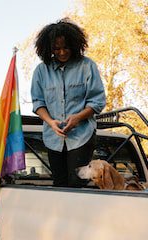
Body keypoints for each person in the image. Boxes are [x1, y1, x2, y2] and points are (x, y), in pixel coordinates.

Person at [31, 18, 106, 188]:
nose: (62, 52)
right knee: (59, 185)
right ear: (49, 49)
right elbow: (38, 102)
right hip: (53, 138)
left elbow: (97, 101)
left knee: (76, 184)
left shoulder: (87, 66)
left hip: (81, 136)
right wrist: (50, 122)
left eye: (66, 47)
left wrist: (78, 118)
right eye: (57, 49)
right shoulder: (41, 71)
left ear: (74, 44)